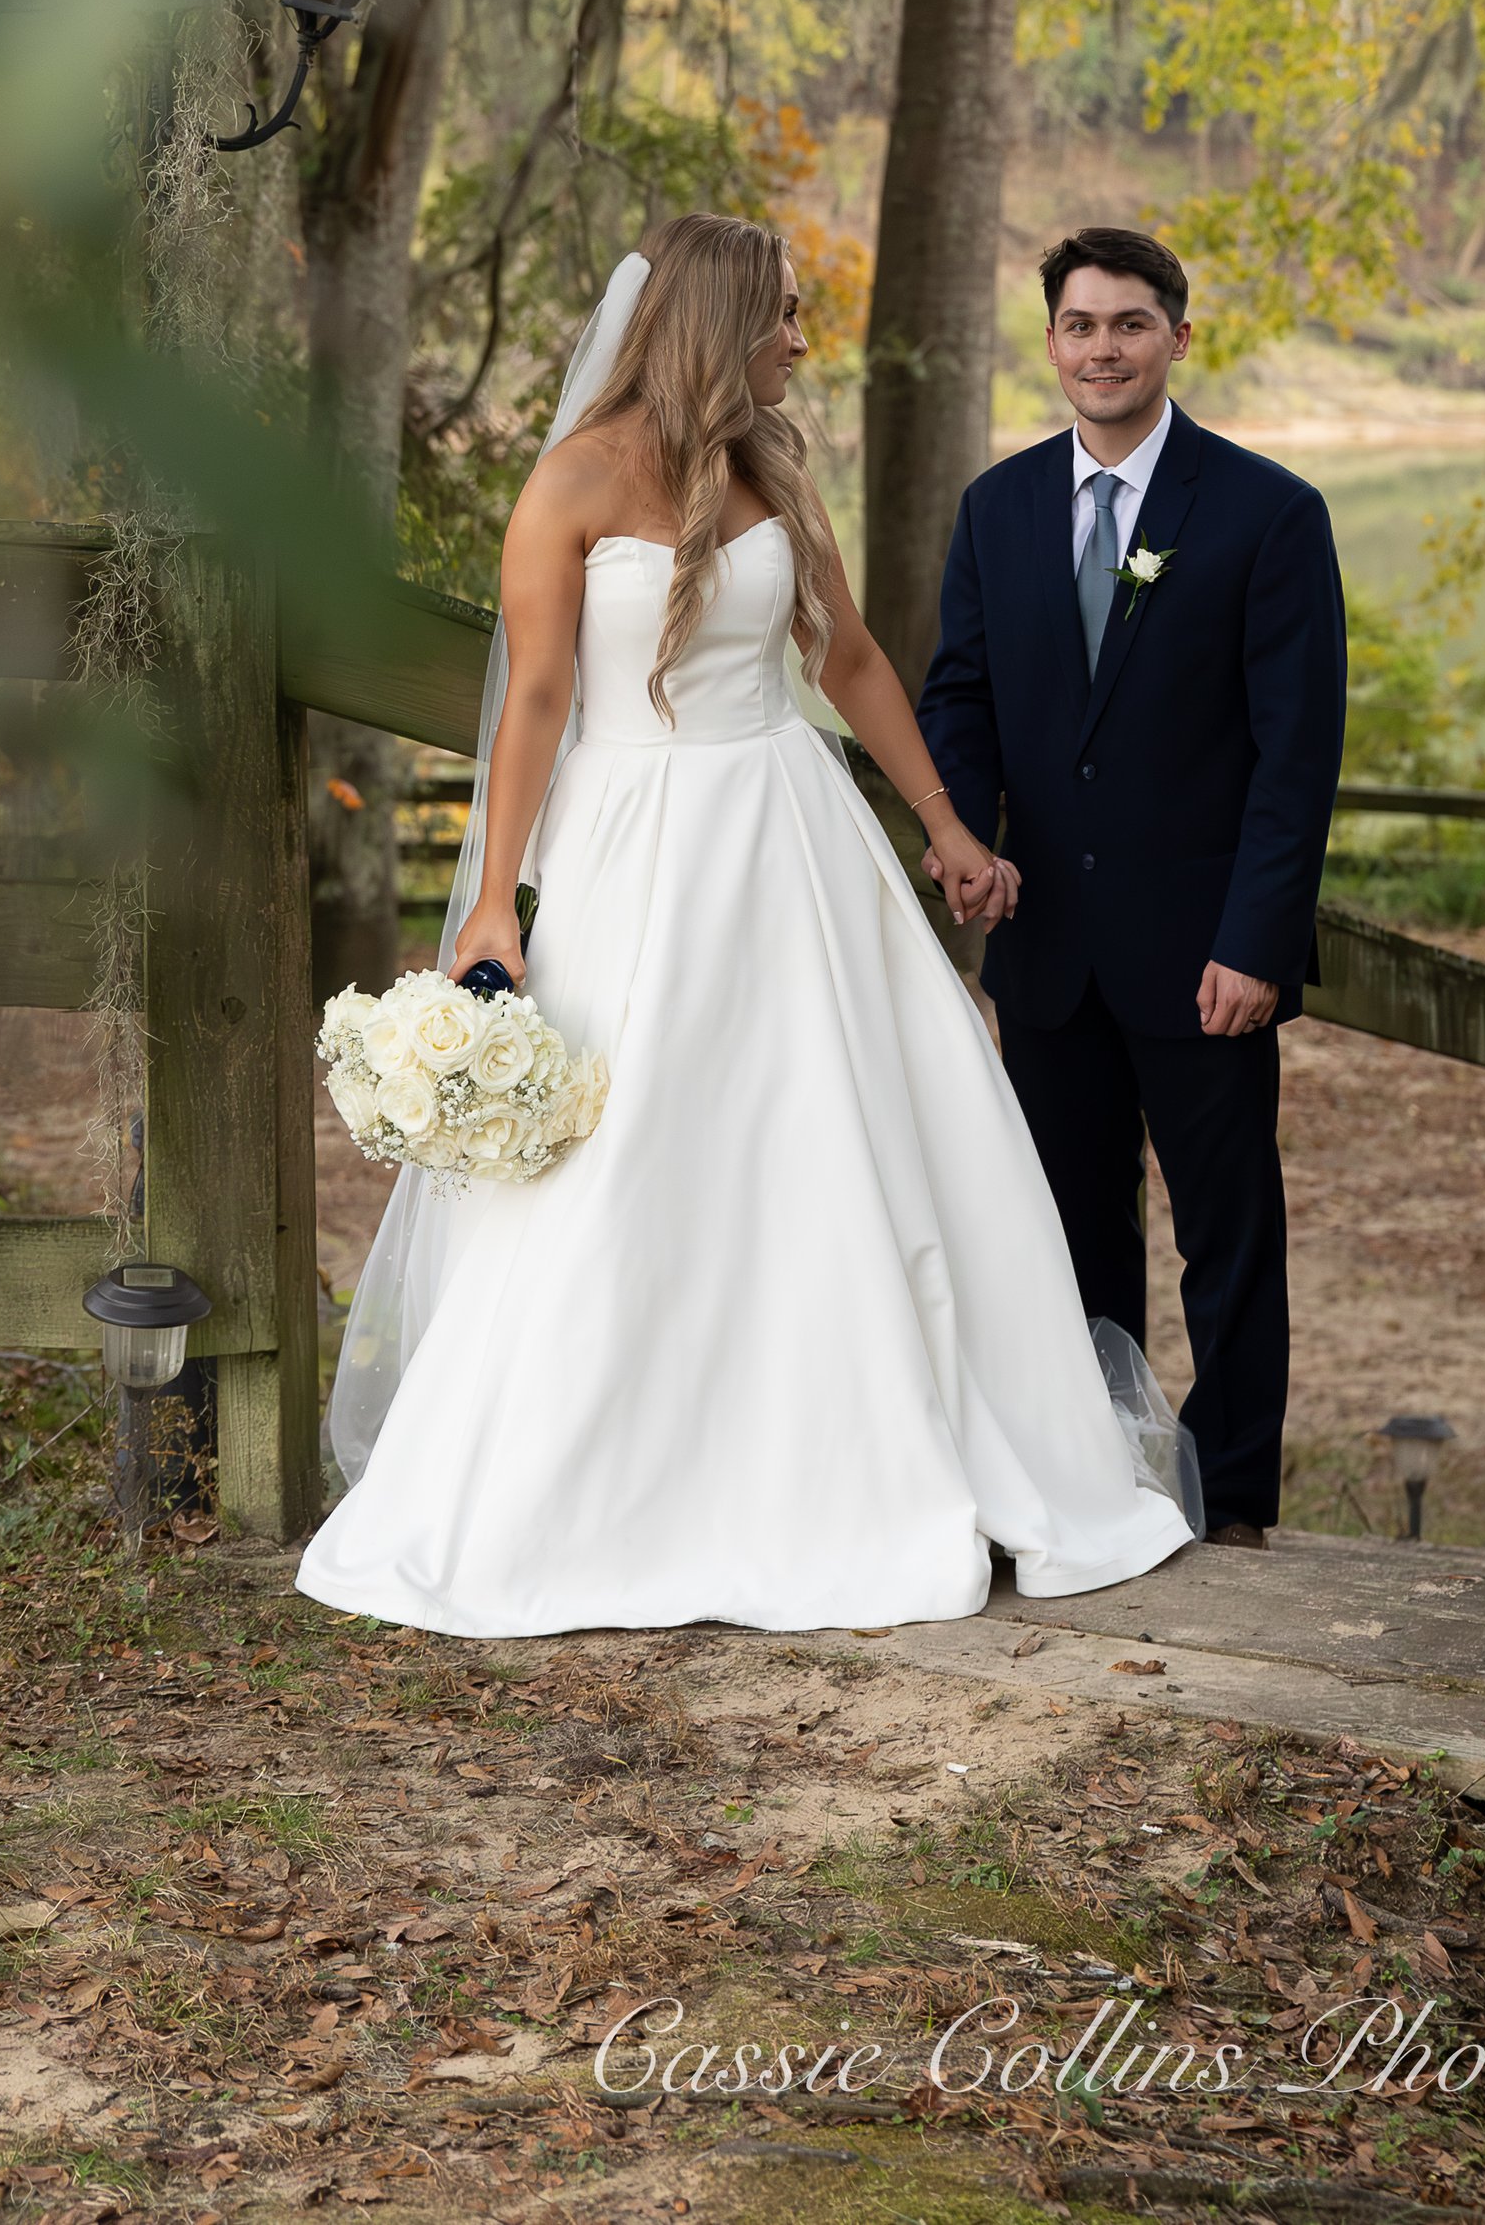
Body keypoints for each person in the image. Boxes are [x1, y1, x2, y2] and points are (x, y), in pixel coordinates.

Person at [296, 214, 1192, 1640]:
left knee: (835, 1135)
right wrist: (491, 897)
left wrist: (948, 824)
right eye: (782, 313)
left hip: (790, 837)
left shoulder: (774, 469)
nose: (799, 337)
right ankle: (598, 1489)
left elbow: (845, 657)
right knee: (628, 1149)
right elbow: (535, 701)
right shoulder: (572, 484)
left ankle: (871, 1456)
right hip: (634, 847)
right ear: (717, 319)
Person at [916, 226, 1346, 1548]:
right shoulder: (996, 508)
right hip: (1048, 951)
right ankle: (1098, 1484)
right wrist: (963, 835)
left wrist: (1257, 939)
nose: (1103, 347)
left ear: (1178, 336)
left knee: (1226, 1243)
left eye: (1130, 323)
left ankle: (1236, 1514)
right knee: (1066, 1237)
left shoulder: (1267, 512)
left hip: (1205, 954)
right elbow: (961, 695)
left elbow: (1296, 748)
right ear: (1051, 342)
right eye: (1080, 325)